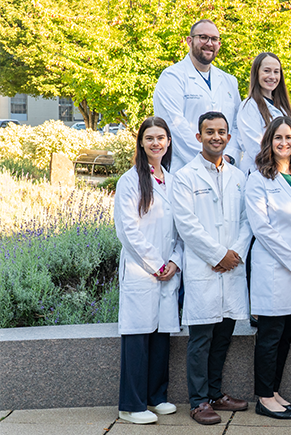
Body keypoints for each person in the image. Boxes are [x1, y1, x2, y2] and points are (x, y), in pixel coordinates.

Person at [172, 111, 252, 425]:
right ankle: (198, 401)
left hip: (231, 268)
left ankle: (216, 393)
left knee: (223, 337)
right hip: (205, 267)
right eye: (210, 132)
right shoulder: (185, 176)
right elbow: (186, 225)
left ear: (229, 137)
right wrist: (218, 255)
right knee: (201, 339)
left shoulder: (238, 176)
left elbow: (247, 220)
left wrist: (235, 253)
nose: (216, 137)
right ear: (199, 136)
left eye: (221, 132)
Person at [246, 117, 291, 420]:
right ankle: (263, 397)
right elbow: (261, 228)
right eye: (278, 138)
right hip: (274, 268)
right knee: (270, 336)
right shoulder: (258, 178)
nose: (284, 143)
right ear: (269, 142)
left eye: (289, 137)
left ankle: (274, 391)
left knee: (286, 333)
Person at [114, 117, 182, 425]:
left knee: (161, 336)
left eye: (161, 137)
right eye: (150, 138)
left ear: (168, 142)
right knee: (138, 337)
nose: (156, 143)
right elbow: (128, 230)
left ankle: (156, 396)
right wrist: (157, 264)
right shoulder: (129, 181)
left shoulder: (172, 180)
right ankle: (131, 405)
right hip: (141, 269)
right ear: (141, 142)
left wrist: (175, 261)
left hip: (167, 270)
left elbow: (182, 229)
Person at [154, 19, 241, 172]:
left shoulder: (230, 81)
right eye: (203, 37)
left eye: (214, 39)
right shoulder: (172, 77)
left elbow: (236, 125)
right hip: (185, 169)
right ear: (190, 41)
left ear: (219, 44)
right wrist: (208, 160)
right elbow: (175, 126)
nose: (209, 43)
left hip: (225, 169)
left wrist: (228, 157)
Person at [238, 53, 291, 175]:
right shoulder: (249, 106)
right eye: (267, 71)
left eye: (276, 72)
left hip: (285, 171)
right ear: (256, 73)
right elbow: (255, 147)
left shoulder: (283, 107)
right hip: (263, 172)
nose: (272, 76)